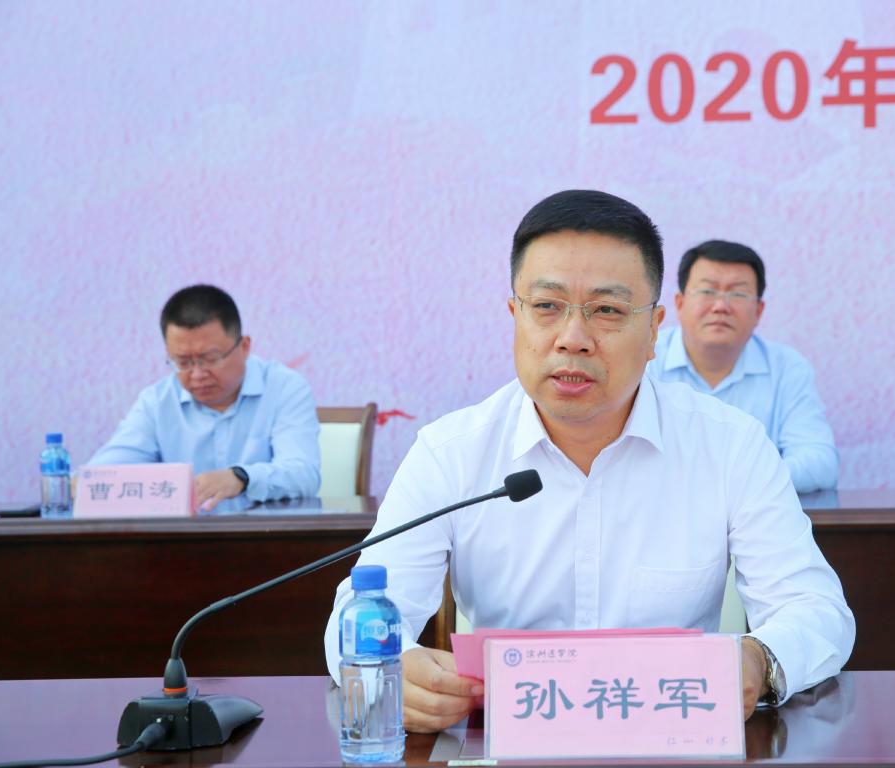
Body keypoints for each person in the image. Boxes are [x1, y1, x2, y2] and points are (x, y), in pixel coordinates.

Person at [323, 190, 854, 732]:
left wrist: (760, 661)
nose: (572, 339)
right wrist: (393, 670)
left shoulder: (730, 446)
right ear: (515, 315)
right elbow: (358, 614)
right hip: (507, 743)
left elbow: (817, 611)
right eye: (546, 307)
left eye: (607, 311)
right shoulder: (450, 454)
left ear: (654, 329)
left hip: (671, 739)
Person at [87, 284, 320, 509]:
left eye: (210, 359)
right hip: (182, 535)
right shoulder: (156, 402)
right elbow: (102, 475)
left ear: (244, 347)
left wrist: (241, 478)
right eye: (183, 362)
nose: (197, 374)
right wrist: (81, 484)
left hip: (267, 534)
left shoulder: (284, 388)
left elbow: (303, 474)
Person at [647, 240, 838, 492]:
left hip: (754, 513)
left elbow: (820, 464)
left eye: (737, 294)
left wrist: (733, 483)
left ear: (758, 311)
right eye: (707, 291)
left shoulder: (787, 368)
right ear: (680, 304)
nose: (720, 307)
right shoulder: (645, 360)